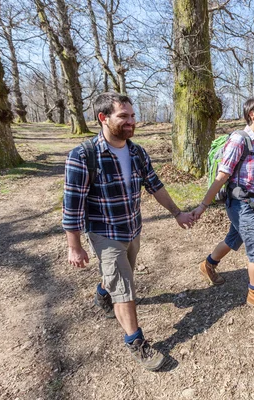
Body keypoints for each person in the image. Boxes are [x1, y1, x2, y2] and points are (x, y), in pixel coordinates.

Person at [62, 92, 195, 371]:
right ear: (103, 118)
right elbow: (72, 206)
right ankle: (136, 342)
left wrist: (177, 213)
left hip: (132, 229)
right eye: (123, 116)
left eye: (132, 116)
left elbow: (155, 186)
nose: (131, 121)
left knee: (121, 277)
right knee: (124, 289)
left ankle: (102, 292)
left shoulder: (137, 152)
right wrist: (74, 246)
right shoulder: (83, 156)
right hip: (104, 232)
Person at [192, 96, 254, 314]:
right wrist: (203, 205)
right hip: (239, 203)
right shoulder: (239, 140)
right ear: (252, 115)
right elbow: (222, 177)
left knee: (234, 238)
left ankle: (208, 265)